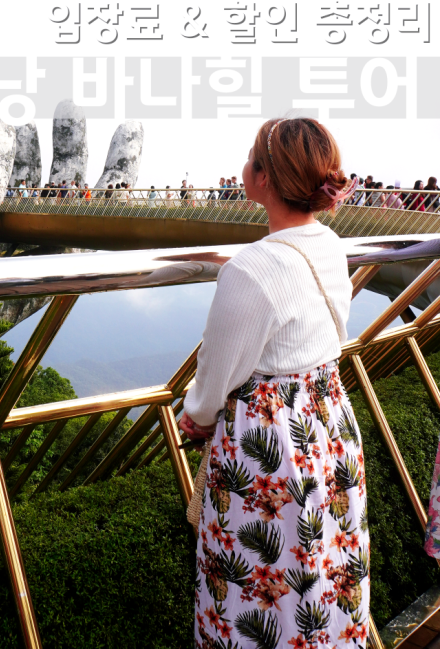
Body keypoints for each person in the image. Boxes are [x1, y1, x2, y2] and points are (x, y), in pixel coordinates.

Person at [179, 117, 368, 647]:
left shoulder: (251, 269)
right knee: (321, 567)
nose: (243, 166)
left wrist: (198, 416)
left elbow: (218, 370)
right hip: (326, 426)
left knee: (257, 584)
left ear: (263, 177)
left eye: (250, 158)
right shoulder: (330, 244)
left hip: (271, 448)